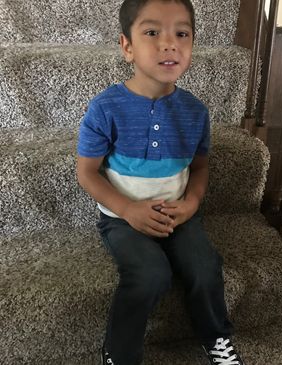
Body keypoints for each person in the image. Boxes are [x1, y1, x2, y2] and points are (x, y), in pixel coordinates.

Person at [76, 0, 244, 364]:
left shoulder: (195, 111)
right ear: (127, 46)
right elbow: (86, 172)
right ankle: (119, 354)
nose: (169, 44)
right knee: (150, 275)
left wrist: (192, 204)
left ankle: (216, 338)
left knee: (204, 266)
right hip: (123, 217)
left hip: (178, 213)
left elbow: (200, 168)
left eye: (181, 34)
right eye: (152, 32)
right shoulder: (105, 108)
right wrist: (127, 210)